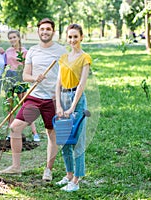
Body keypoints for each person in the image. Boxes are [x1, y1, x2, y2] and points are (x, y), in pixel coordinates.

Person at [0, 18, 66, 182]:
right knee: (15, 128)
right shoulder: (33, 51)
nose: (45, 32)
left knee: (52, 134)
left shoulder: (61, 51)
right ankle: (16, 167)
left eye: (48, 29)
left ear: (53, 32)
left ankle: (48, 170)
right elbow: (26, 76)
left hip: (53, 99)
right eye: (42, 29)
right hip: (35, 97)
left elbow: (67, 75)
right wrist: (36, 78)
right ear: (38, 31)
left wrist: (61, 94)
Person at [55, 23, 92, 192]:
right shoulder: (63, 58)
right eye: (70, 37)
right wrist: (59, 105)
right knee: (64, 141)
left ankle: (76, 180)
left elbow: (82, 85)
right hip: (63, 97)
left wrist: (72, 108)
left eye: (75, 36)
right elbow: (58, 84)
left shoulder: (85, 58)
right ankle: (69, 174)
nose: (72, 40)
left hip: (76, 99)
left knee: (77, 141)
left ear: (81, 37)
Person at [5, 30, 40, 142]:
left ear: (19, 38)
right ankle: (12, 132)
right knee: (9, 106)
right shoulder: (7, 51)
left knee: (25, 106)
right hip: (9, 77)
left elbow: (28, 67)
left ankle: (35, 132)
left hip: (20, 78)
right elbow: (5, 64)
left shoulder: (25, 52)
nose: (12, 40)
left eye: (14, 37)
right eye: (10, 38)